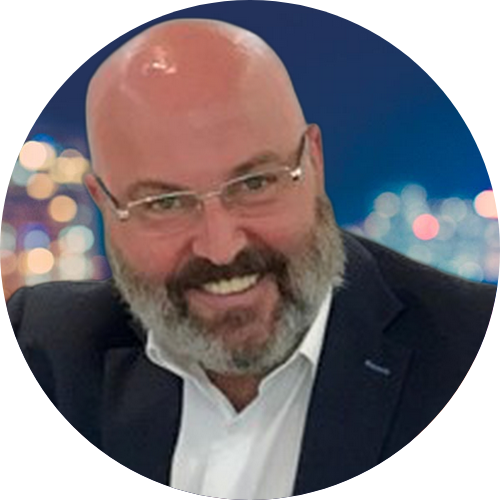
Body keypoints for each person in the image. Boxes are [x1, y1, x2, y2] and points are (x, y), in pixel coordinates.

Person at [7, 19, 496, 498]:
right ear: (104, 206)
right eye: (165, 203)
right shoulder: (44, 350)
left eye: (254, 183)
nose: (221, 247)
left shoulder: (467, 345)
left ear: (314, 162)